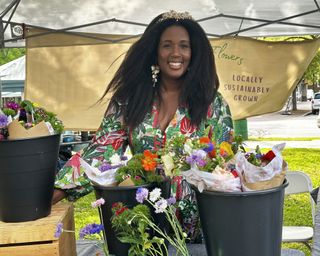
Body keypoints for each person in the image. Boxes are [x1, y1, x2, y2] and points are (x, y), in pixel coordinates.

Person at [53, 10, 233, 242]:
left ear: (194, 52)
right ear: (155, 52)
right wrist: (53, 194)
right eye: (167, 45)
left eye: (184, 46)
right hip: (144, 225)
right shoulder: (128, 100)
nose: (176, 53)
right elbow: (101, 153)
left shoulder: (212, 103)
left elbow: (225, 166)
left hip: (201, 228)